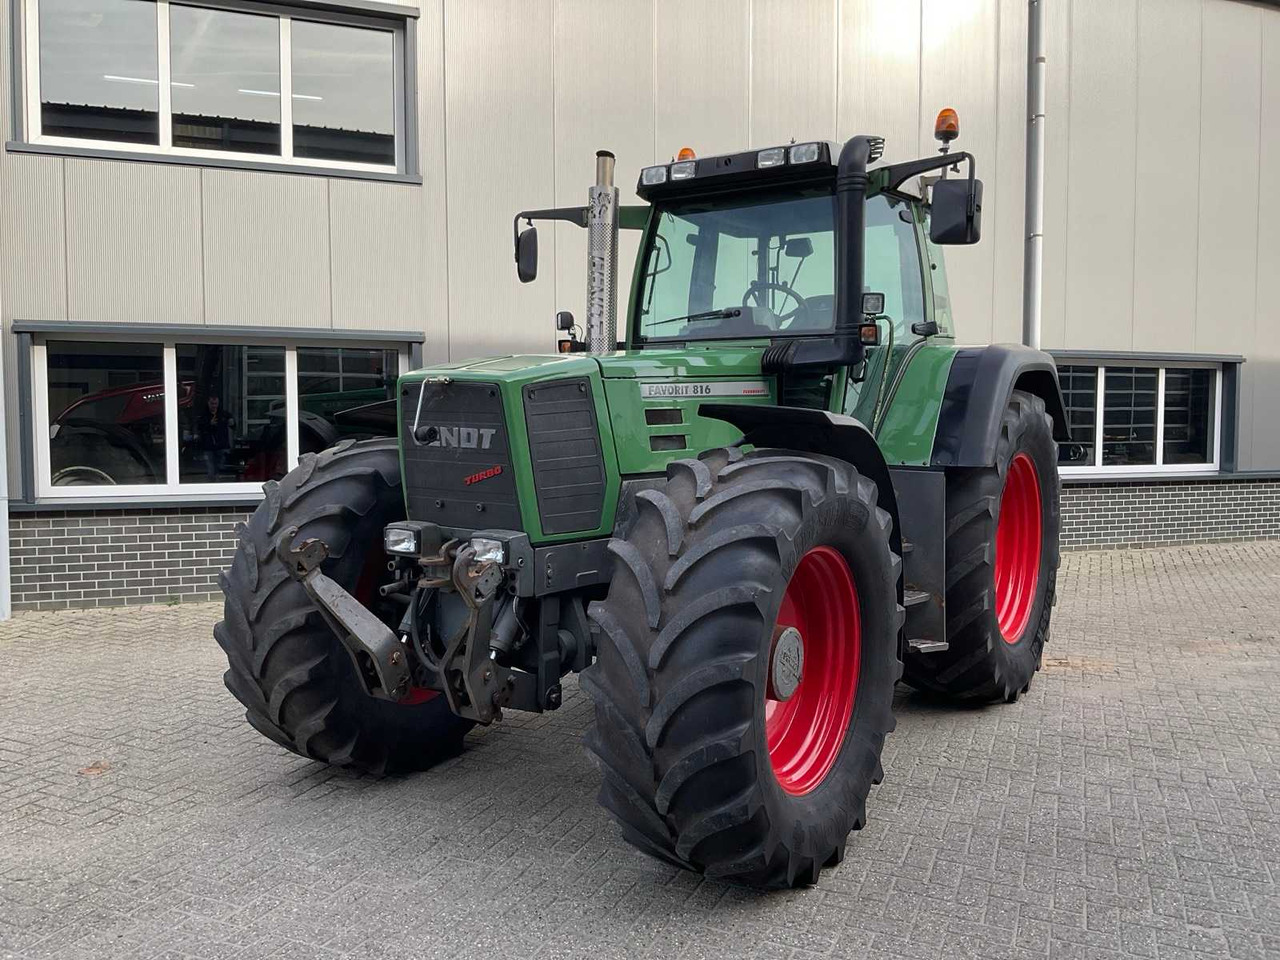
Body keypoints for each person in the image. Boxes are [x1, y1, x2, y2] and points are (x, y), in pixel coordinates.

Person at [196, 394, 233, 481]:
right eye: (212, 403)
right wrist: (209, 424)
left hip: (222, 445)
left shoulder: (224, 414)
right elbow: (200, 428)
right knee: (210, 470)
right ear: (208, 403)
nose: (214, 406)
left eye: (215, 403)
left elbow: (233, 425)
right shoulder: (204, 415)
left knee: (221, 469)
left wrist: (232, 422)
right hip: (209, 447)